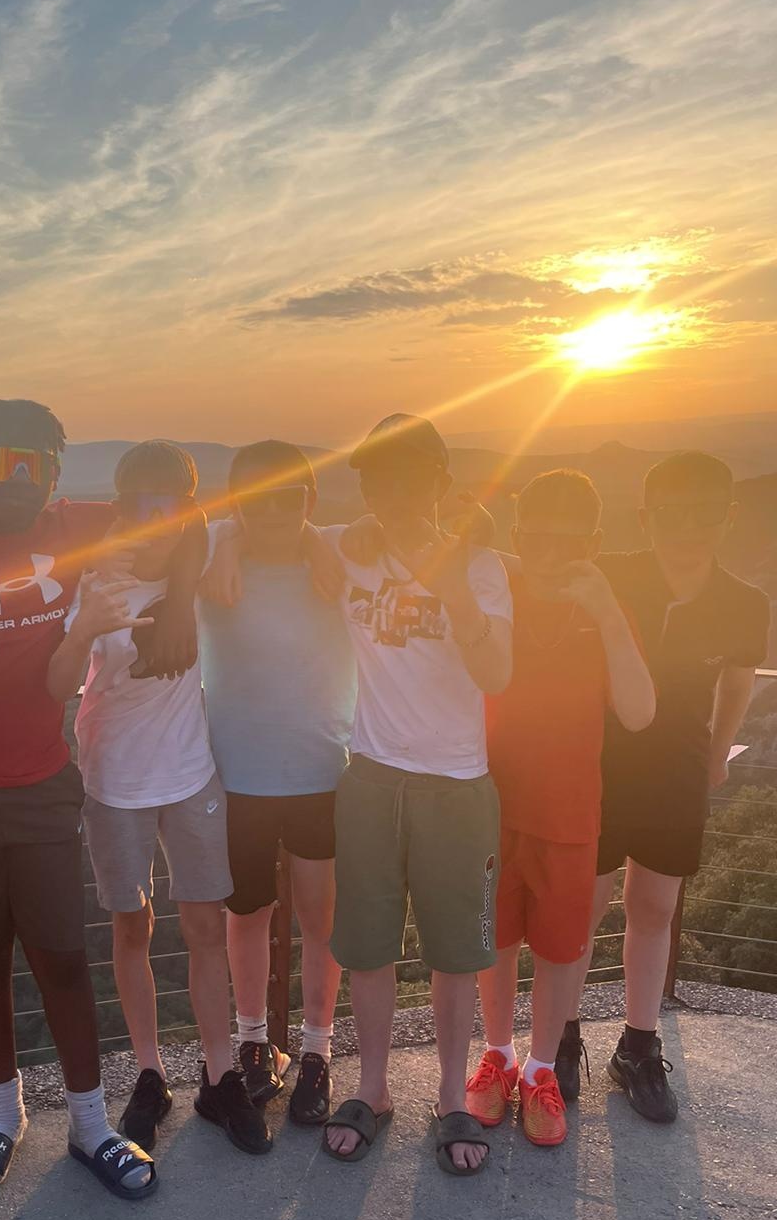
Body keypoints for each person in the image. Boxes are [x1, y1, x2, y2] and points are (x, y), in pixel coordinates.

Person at [0, 400, 203, 1201]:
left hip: (41, 783)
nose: (19, 478)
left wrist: (181, 602)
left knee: (62, 956)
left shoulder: (81, 524)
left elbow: (186, 517)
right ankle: (3, 1117)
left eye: (37, 463)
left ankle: (90, 1126)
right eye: (2, 460)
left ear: (56, 472)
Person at [47, 441, 272, 1154]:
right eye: (143, 503)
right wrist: (88, 622)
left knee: (206, 928)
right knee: (131, 929)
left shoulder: (197, 565)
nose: (158, 517)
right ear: (121, 507)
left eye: (171, 504)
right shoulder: (96, 583)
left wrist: (225, 540)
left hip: (191, 772)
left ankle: (219, 1076)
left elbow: (237, 524)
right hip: (114, 779)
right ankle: (149, 1073)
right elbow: (56, 684)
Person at [324, 413, 513, 1174]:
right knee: (367, 945)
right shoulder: (348, 548)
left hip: (456, 783)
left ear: (439, 481)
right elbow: (253, 528)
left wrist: (451, 583)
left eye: (407, 475)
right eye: (377, 475)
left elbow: (497, 674)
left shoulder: (483, 565)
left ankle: (450, 1094)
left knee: (456, 953)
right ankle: (372, 1088)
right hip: (371, 775)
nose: (391, 489)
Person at [559, 452, 769, 1121]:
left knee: (652, 908)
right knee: (581, 909)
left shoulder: (745, 602)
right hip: (596, 766)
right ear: (646, 517)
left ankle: (638, 1047)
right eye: (671, 515)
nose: (687, 528)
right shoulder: (611, 574)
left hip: (677, 771)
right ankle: (559, 1037)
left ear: (727, 517)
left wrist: (715, 753)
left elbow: (738, 679)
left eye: (702, 514)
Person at [465, 471, 655, 1146]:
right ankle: (497, 1056)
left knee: (559, 950)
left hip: (571, 814)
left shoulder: (606, 610)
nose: (549, 553)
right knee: (493, 941)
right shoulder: (500, 591)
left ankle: (542, 1070)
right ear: (519, 537)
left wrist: (607, 612)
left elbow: (639, 711)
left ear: (594, 543)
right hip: (488, 806)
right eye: (535, 539)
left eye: (567, 542)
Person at [197, 440, 356, 1124]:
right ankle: (254, 1041)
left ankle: (317, 1049)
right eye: (254, 501)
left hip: (322, 769)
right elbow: (156, 529)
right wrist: (231, 540)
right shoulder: (210, 551)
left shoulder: (338, 552)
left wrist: (314, 538)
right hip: (237, 774)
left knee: (322, 917)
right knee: (247, 915)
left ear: (309, 501)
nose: (272, 512)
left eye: (288, 498)